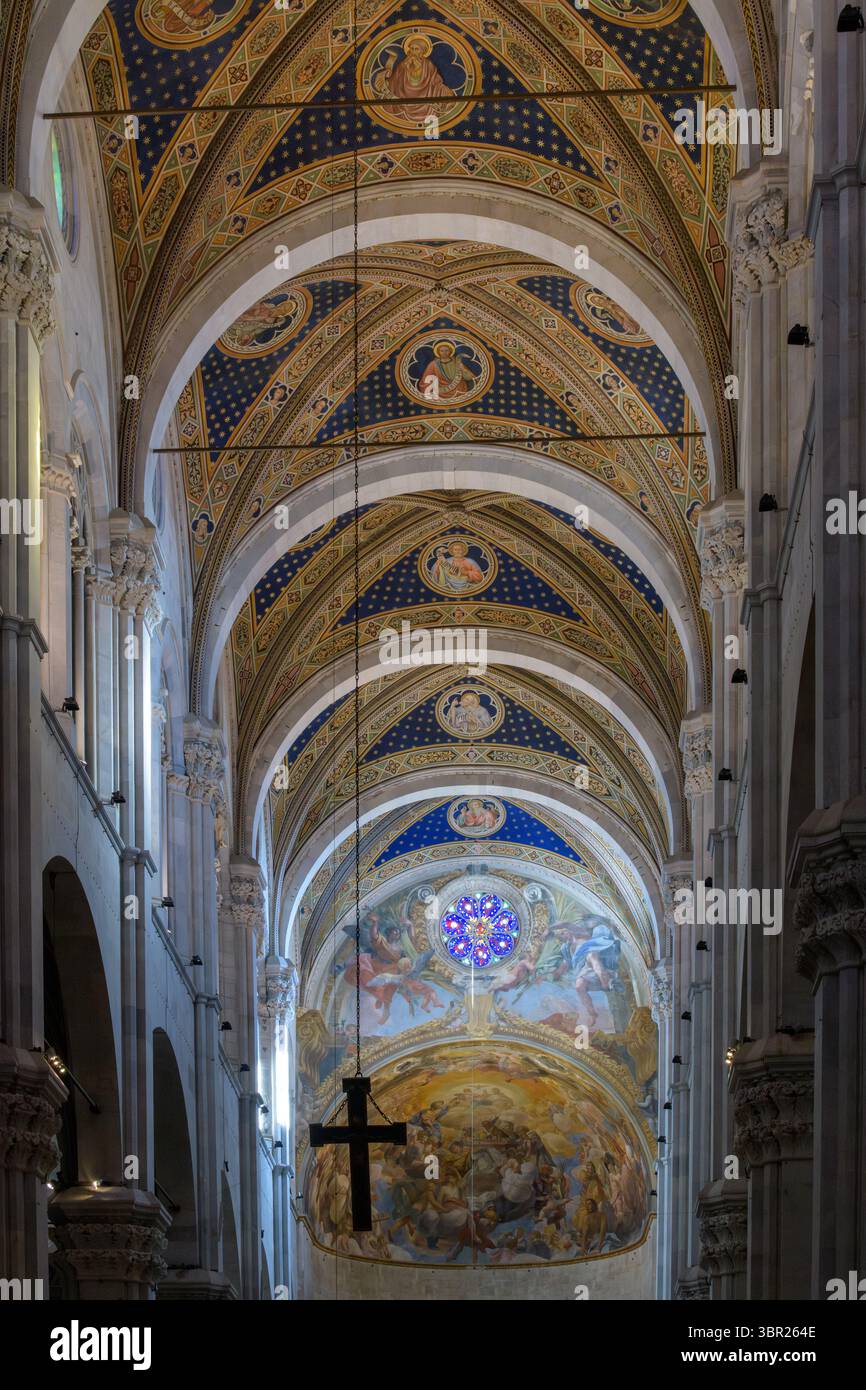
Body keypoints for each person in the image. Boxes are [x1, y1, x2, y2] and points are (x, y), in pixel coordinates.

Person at [374, 34, 457, 125]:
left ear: (422, 51)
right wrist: (385, 79)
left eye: (416, 49)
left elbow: (436, 83)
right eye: (411, 49)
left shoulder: (428, 65)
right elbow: (394, 82)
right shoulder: (403, 65)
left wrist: (445, 92)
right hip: (404, 99)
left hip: (426, 100)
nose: (413, 52)